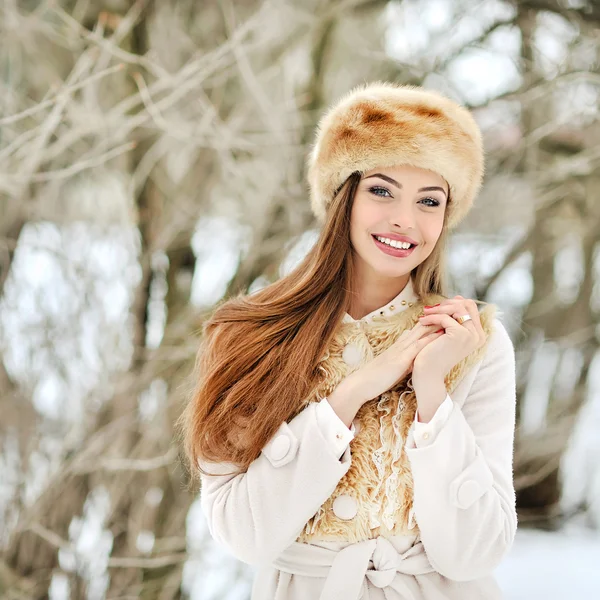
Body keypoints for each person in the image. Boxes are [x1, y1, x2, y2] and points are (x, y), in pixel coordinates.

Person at [180, 81, 518, 600]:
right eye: (382, 190)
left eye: (430, 201)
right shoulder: (250, 335)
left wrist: (432, 393)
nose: (405, 220)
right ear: (345, 196)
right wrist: (349, 396)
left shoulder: (475, 343)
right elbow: (244, 534)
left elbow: (475, 553)